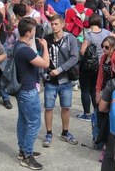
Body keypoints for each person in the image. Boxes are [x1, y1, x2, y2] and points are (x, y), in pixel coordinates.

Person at [14, 17, 49, 170]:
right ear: (28, 33)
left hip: (21, 89)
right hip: (28, 90)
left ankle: (23, 150)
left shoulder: (18, 45)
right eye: (33, 31)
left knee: (23, 120)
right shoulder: (26, 50)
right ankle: (27, 155)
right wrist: (45, 47)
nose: (35, 33)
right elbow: (45, 63)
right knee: (34, 122)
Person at [42, 14, 80, 148]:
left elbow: (75, 57)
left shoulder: (70, 39)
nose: (54, 26)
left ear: (63, 24)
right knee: (49, 108)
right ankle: (49, 133)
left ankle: (65, 132)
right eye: (52, 24)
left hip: (65, 80)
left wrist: (59, 69)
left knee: (66, 107)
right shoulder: (46, 39)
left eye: (56, 24)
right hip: (50, 80)